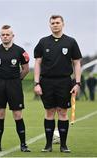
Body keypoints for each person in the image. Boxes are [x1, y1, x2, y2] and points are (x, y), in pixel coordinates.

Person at [34, 15, 82, 153]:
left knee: (62, 112)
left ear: (63, 24)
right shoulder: (43, 42)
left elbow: (77, 63)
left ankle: (63, 145)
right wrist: (36, 82)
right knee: (49, 112)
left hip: (64, 81)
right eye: (53, 23)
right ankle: (48, 145)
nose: (55, 25)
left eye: (57, 22)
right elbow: (37, 63)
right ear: (49, 25)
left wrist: (77, 83)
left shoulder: (71, 42)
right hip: (46, 81)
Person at [0, 25, 30, 152]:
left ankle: (23, 145)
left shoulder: (20, 51)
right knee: (0, 114)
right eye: (3, 34)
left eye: (7, 34)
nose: (5, 36)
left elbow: (26, 69)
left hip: (14, 85)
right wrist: (1, 79)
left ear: (12, 36)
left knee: (17, 114)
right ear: (0, 36)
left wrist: (16, 79)